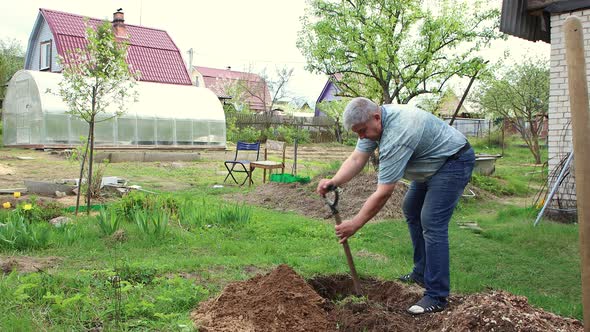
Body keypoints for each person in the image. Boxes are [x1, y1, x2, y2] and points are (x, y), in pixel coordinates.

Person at [316, 97, 475, 315]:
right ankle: (421, 272)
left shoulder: (397, 134)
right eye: (357, 132)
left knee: (432, 221)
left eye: (362, 131)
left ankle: (437, 295)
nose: (361, 136)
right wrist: (334, 182)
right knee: (411, 209)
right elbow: (356, 159)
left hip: (452, 161)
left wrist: (355, 224)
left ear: (377, 117)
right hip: (431, 164)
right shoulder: (373, 123)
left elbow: (383, 193)